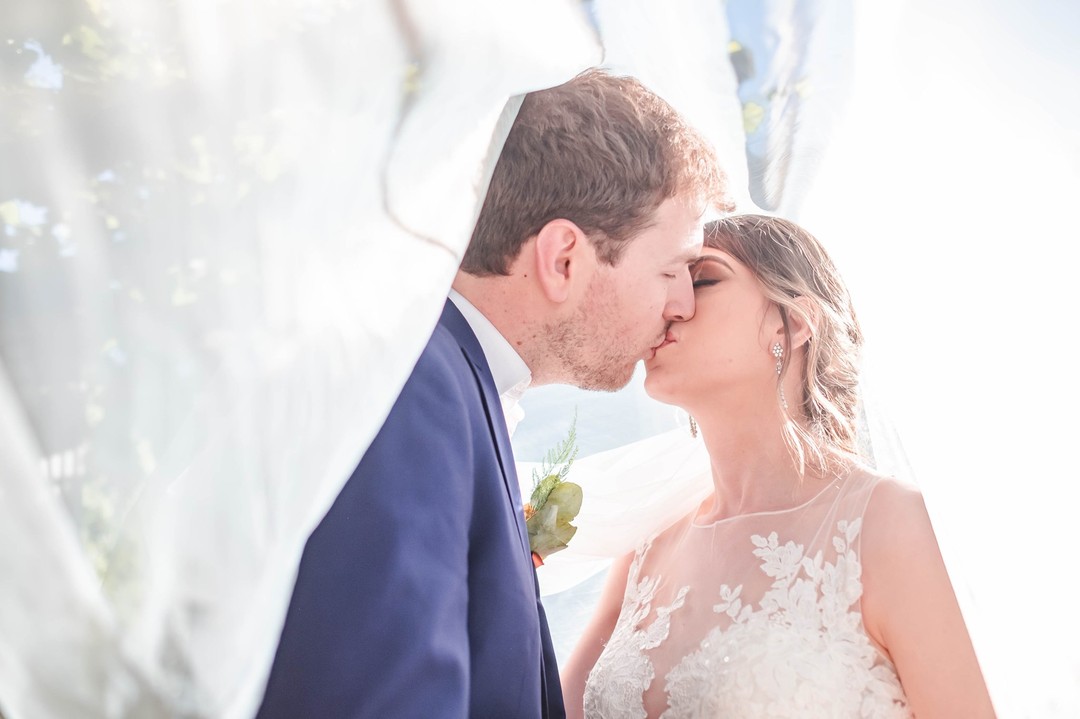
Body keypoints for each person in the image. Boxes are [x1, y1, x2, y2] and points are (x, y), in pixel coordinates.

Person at [255, 69, 731, 718]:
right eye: (672, 268)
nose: (681, 303)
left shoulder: (451, 385)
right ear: (564, 258)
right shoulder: (416, 392)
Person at [562, 215, 995, 718]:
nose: (670, 305)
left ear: (791, 321)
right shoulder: (649, 543)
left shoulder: (891, 526)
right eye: (667, 281)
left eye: (702, 280)